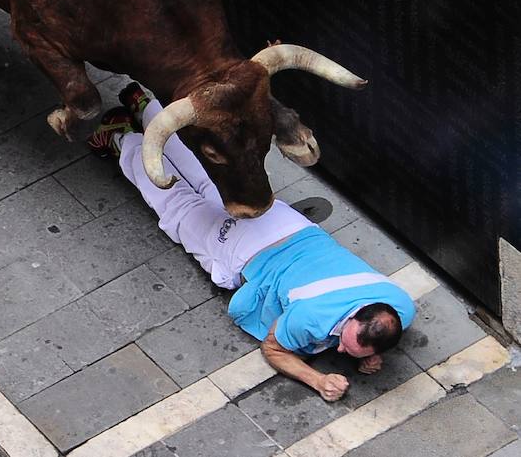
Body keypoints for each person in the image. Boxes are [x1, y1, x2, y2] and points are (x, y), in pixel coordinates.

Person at [87, 83, 416, 402]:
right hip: (242, 252)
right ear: (358, 317)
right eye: (345, 343)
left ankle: (149, 109)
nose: (340, 351)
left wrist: (368, 355)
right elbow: (273, 348)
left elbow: (368, 335)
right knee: (178, 207)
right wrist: (318, 380)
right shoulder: (311, 319)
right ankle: (121, 139)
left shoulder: (400, 304)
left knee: (209, 178)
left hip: (288, 225)